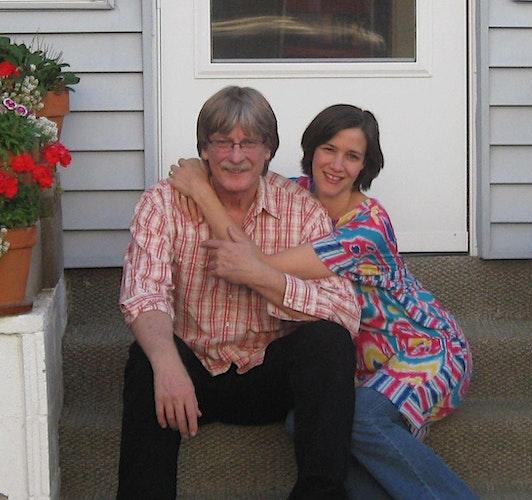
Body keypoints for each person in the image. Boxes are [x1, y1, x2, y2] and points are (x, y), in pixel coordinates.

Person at [167, 104, 476, 499]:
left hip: (425, 349)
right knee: (305, 424)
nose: (336, 165)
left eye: (353, 156)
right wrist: (202, 169)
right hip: (358, 361)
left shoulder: (368, 227)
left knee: (361, 417)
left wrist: (200, 190)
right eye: (329, 149)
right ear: (312, 149)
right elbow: (239, 172)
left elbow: (257, 266)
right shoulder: (295, 193)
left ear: (365, 166)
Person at [117, 87, 362, 500]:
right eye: (222, 142)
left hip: (269, 375)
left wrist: (261, 275)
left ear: (268, 150)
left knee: (330, 343)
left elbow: (344, 311)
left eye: (249, 142)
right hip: (192, 375)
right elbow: (144, 293)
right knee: (145, 359)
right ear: (204, 151)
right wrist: (167, 364)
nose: (236, 155)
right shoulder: (162, 203)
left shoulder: (301, 210)